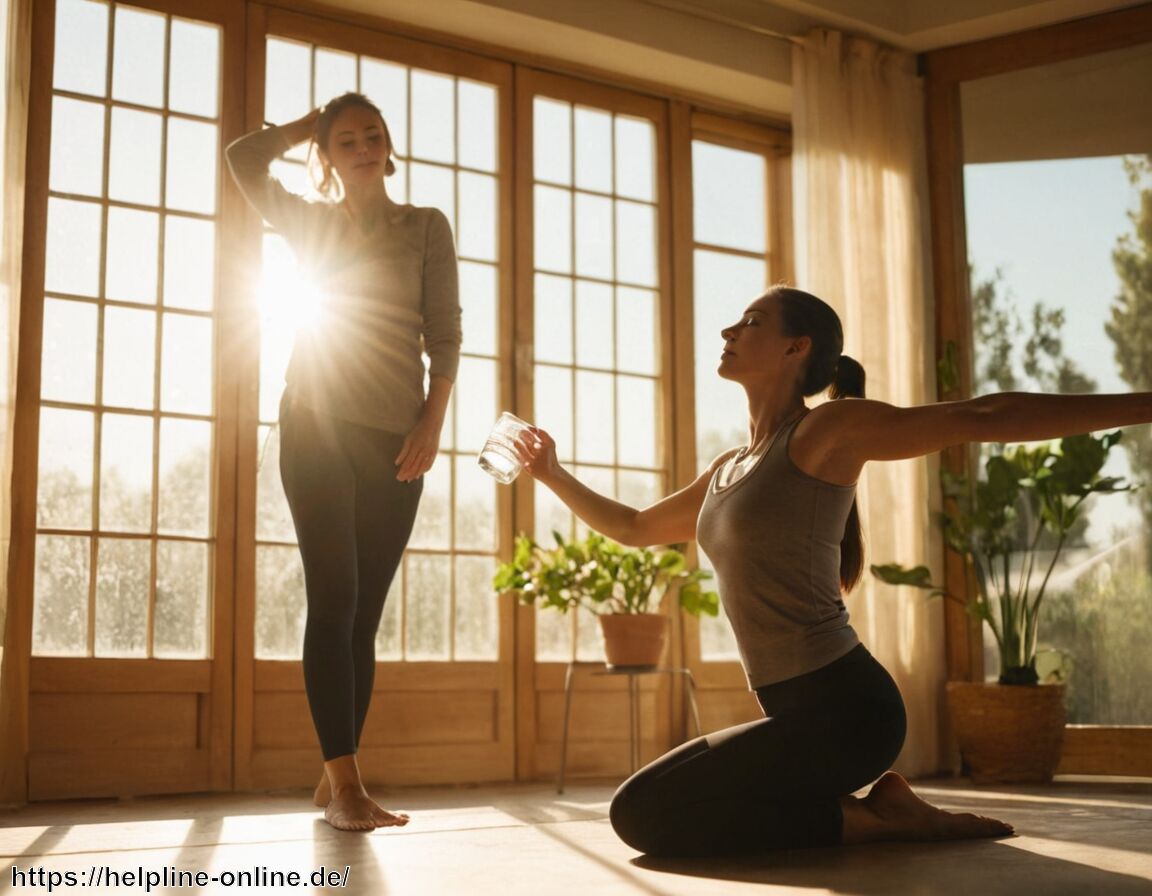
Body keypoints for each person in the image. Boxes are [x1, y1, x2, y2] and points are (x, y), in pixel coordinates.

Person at [513, 285, 1152, 856]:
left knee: (644, 818)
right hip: (795, 714)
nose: (728, 333)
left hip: (849, 713)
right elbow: (634, 529)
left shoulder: (826, 431)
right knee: (640, 805)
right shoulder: (729, 468)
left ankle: (877, 821)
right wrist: (551, 472)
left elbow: (980, 417)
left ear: (797, 348)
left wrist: (1146, 405)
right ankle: (882, 810)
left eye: (751, 322)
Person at [227, 93, 461, 832]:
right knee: (334, 596)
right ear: (328, 157)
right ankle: (348, 788)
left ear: (389, 150)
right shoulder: (313, 223)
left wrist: (432, 423)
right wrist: (306, 128)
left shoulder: (426, 227)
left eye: (373, 136)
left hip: (397, 437)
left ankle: (335, 778)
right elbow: (242, 159)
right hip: (315, 428)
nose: (362, 147)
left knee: (362, 615)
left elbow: (445, 336)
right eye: (346, 140)